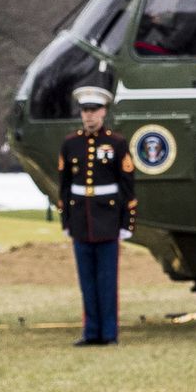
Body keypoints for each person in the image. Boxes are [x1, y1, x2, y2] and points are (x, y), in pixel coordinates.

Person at [56, 85, 135, 346]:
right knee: (86, 282)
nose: (89, 116)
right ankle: (91, 332)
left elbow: (127, 186)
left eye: (94, 110)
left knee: (107, 281)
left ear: (103, 112)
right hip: (81, 219)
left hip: (108, 220)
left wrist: (127, 222)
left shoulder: (116, 143)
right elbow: (64, 186)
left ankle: (109, 333)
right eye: (85, 111)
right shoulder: (71, 144)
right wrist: (66, 220)